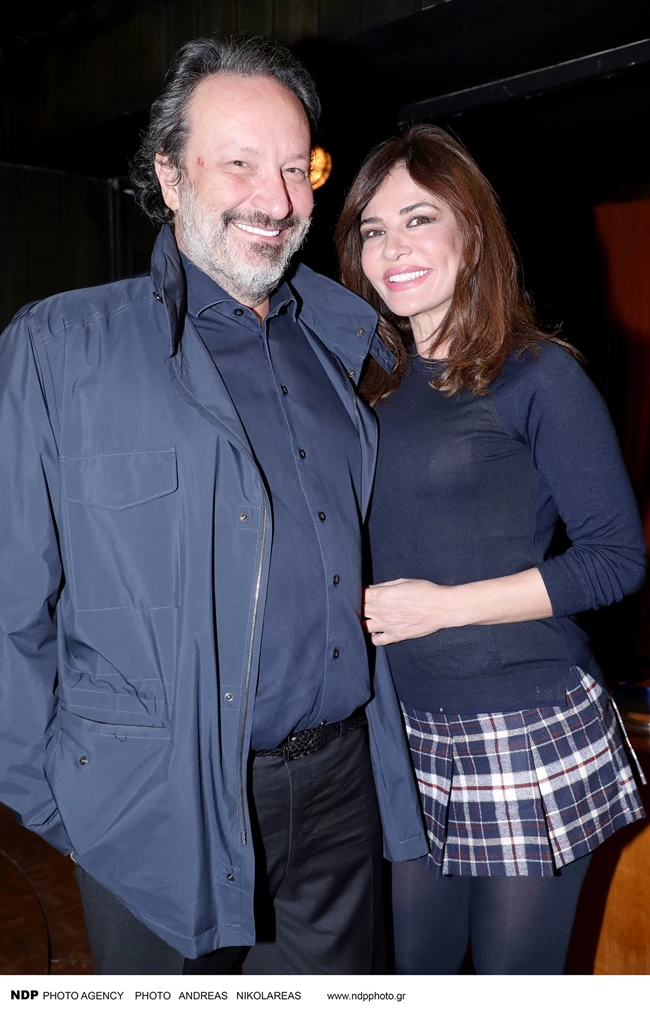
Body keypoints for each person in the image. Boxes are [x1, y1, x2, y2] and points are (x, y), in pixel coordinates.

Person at [0, 35, 428, 976]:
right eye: (239, 163)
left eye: (295, 168)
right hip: (157, 804)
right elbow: (8, 600)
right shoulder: (61, 348)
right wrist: (59, 799)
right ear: (169, 173)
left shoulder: (341, 345)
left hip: (340, 788)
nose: (275, 200)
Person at [335, 124, 647, 975]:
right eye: (373, 229)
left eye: (419, 219)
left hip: (522, 723)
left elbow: (616, 559)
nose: (393, 248)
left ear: (471, 234)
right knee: (417, 974)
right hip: (403, 730)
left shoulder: (537, 374)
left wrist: (441, 607)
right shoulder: (365, 383)